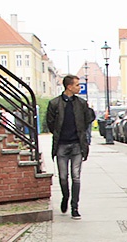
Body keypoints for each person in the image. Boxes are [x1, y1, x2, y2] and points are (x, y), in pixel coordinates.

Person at [46, 74, 95, 219]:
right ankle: (65, 197)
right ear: (69, 86)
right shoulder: (54, 103)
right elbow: (51, 123)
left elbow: (87, 120)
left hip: (77, 145)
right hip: (61, 145)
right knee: (62, 177)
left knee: (76, 177)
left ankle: (75, 206)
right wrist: (58, 134)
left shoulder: (81, 103)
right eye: (77, 85)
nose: (79, 87)